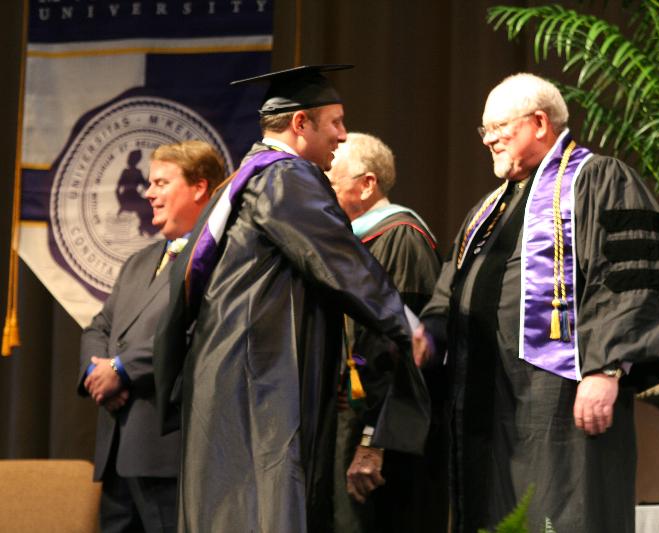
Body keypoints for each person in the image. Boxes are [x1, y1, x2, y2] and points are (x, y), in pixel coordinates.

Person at [153, 65, 430, 533]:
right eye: (336, 122)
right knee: (262, 506)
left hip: (238, 369)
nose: (343, 135)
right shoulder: (285, 177)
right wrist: (407, 324)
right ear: (300, 123)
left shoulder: (249, 175)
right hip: (259, 377)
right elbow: (338, 257)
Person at [412, 73, 659, 533]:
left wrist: (605, 369)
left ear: (539, 122)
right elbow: (452, 288)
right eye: (484, 131)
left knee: (562, 513)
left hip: (560, 405)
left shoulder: (599, 179)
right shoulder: (487, 211)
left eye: (499, 127)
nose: (489, 140)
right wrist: (432, 330)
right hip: (487, 408)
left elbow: (630, 282)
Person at [78, 140, 226, 533]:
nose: (148, 193)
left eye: (161, 182)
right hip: (117, 451)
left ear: (199, 188)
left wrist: (123, 371)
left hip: (168, 452)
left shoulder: (219, 261)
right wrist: (97, 376)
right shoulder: (138, 262)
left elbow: (197, 332)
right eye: (149, 183)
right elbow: (99, 327)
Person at [327, 133, 447, 533]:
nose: (323, 190)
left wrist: (372, 439)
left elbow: (403, 354)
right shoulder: (348, 244)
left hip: (387, 440)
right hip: (349, 425)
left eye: (332, 180)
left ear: (367, 183)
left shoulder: (402, 238)